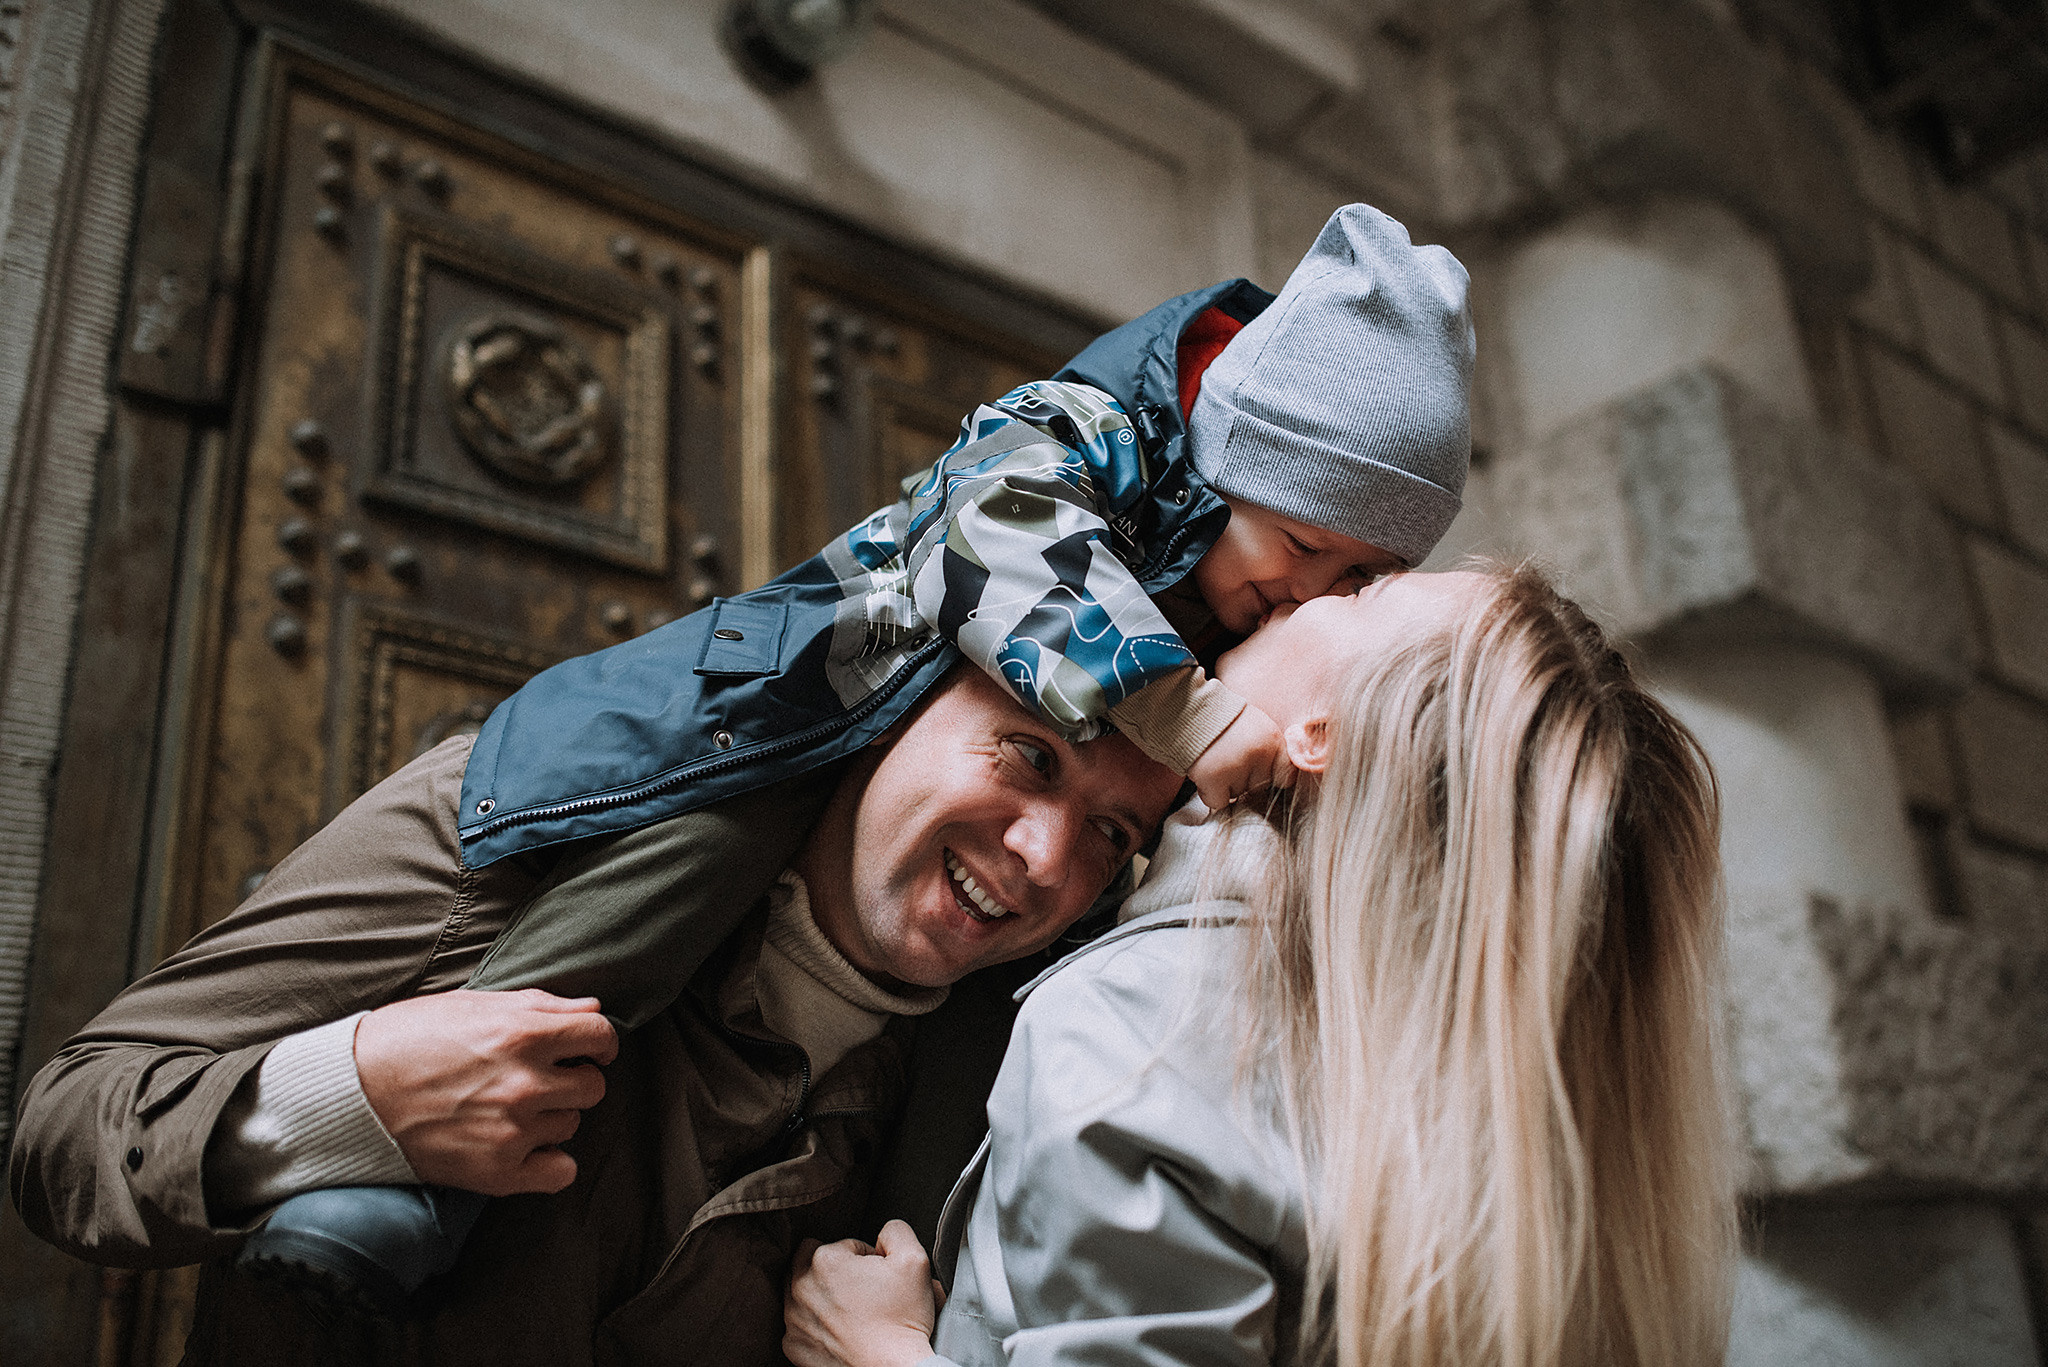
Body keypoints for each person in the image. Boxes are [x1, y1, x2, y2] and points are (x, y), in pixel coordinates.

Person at [209, 200, 1478, 1302]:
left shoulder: (1239, 593)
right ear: (1236, 453)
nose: (1315, 595)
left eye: (1363, 577)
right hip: (797, 716)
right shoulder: (1087, 428)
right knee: (661, 884)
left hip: (930, 854)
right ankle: (403, 1186)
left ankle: (910, 1266)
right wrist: (1191, 718)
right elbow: (1005, 547)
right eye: (1308, 550)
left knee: (988, 1041)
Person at [7, 662, 1184, 1366]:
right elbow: (70, 1130)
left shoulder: (1002, 1105)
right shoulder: (524, 842)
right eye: (1027, 754)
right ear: (897, 705)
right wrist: (350, 1096)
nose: (1040, 856)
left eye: (1110, 831)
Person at [782, 563, 1739, 1367]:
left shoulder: (1144, 1025)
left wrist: (884, 1351)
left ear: (1315, 734)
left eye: (1364, 596)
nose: (1313, 587)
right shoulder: (1475, 1092)